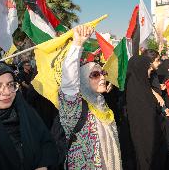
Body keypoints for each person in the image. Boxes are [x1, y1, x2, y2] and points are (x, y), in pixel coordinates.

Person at [52, 25, 122, 169]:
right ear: (83, 80)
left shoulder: (102, 105)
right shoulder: (75, 109)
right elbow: (69, 83)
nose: (102, 77)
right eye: (95, 75)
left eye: (103, 73)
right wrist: (77, 44)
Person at [0, 59, 58, 170]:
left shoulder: (25, 111)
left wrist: (43, 165)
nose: (7, 92)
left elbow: (47, 143)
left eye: (10, 85)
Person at [125, 55, 169, 170]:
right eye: (148, 69)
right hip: (147, 151)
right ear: (140, 69)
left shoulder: (141, 87)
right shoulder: (137, 95)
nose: (151, 71)